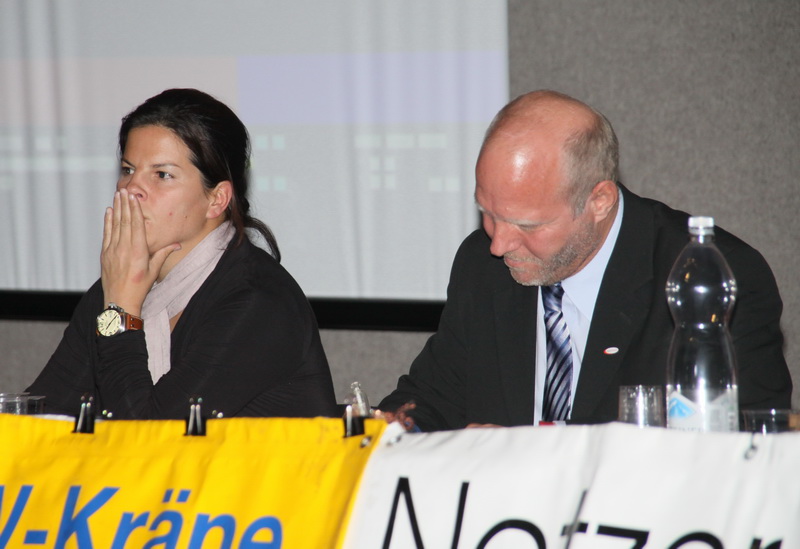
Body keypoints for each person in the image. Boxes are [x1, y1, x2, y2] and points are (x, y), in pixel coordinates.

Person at [378, 90, 792, 431]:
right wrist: (397, 430)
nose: (499, 243)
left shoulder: (709, 276)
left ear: (599, 201)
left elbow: (748, 451)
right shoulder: (480, 265)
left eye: (527, 224)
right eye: (488, 212)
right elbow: (433, 396)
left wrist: (523, 457)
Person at [27, 88, 338, 419]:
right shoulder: (117, 287)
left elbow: (149, 436)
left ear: (217, 199)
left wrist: (121, 313)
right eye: (128, 170)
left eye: (162, 175)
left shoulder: (258, 301)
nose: (131, 189)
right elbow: (40, 414)